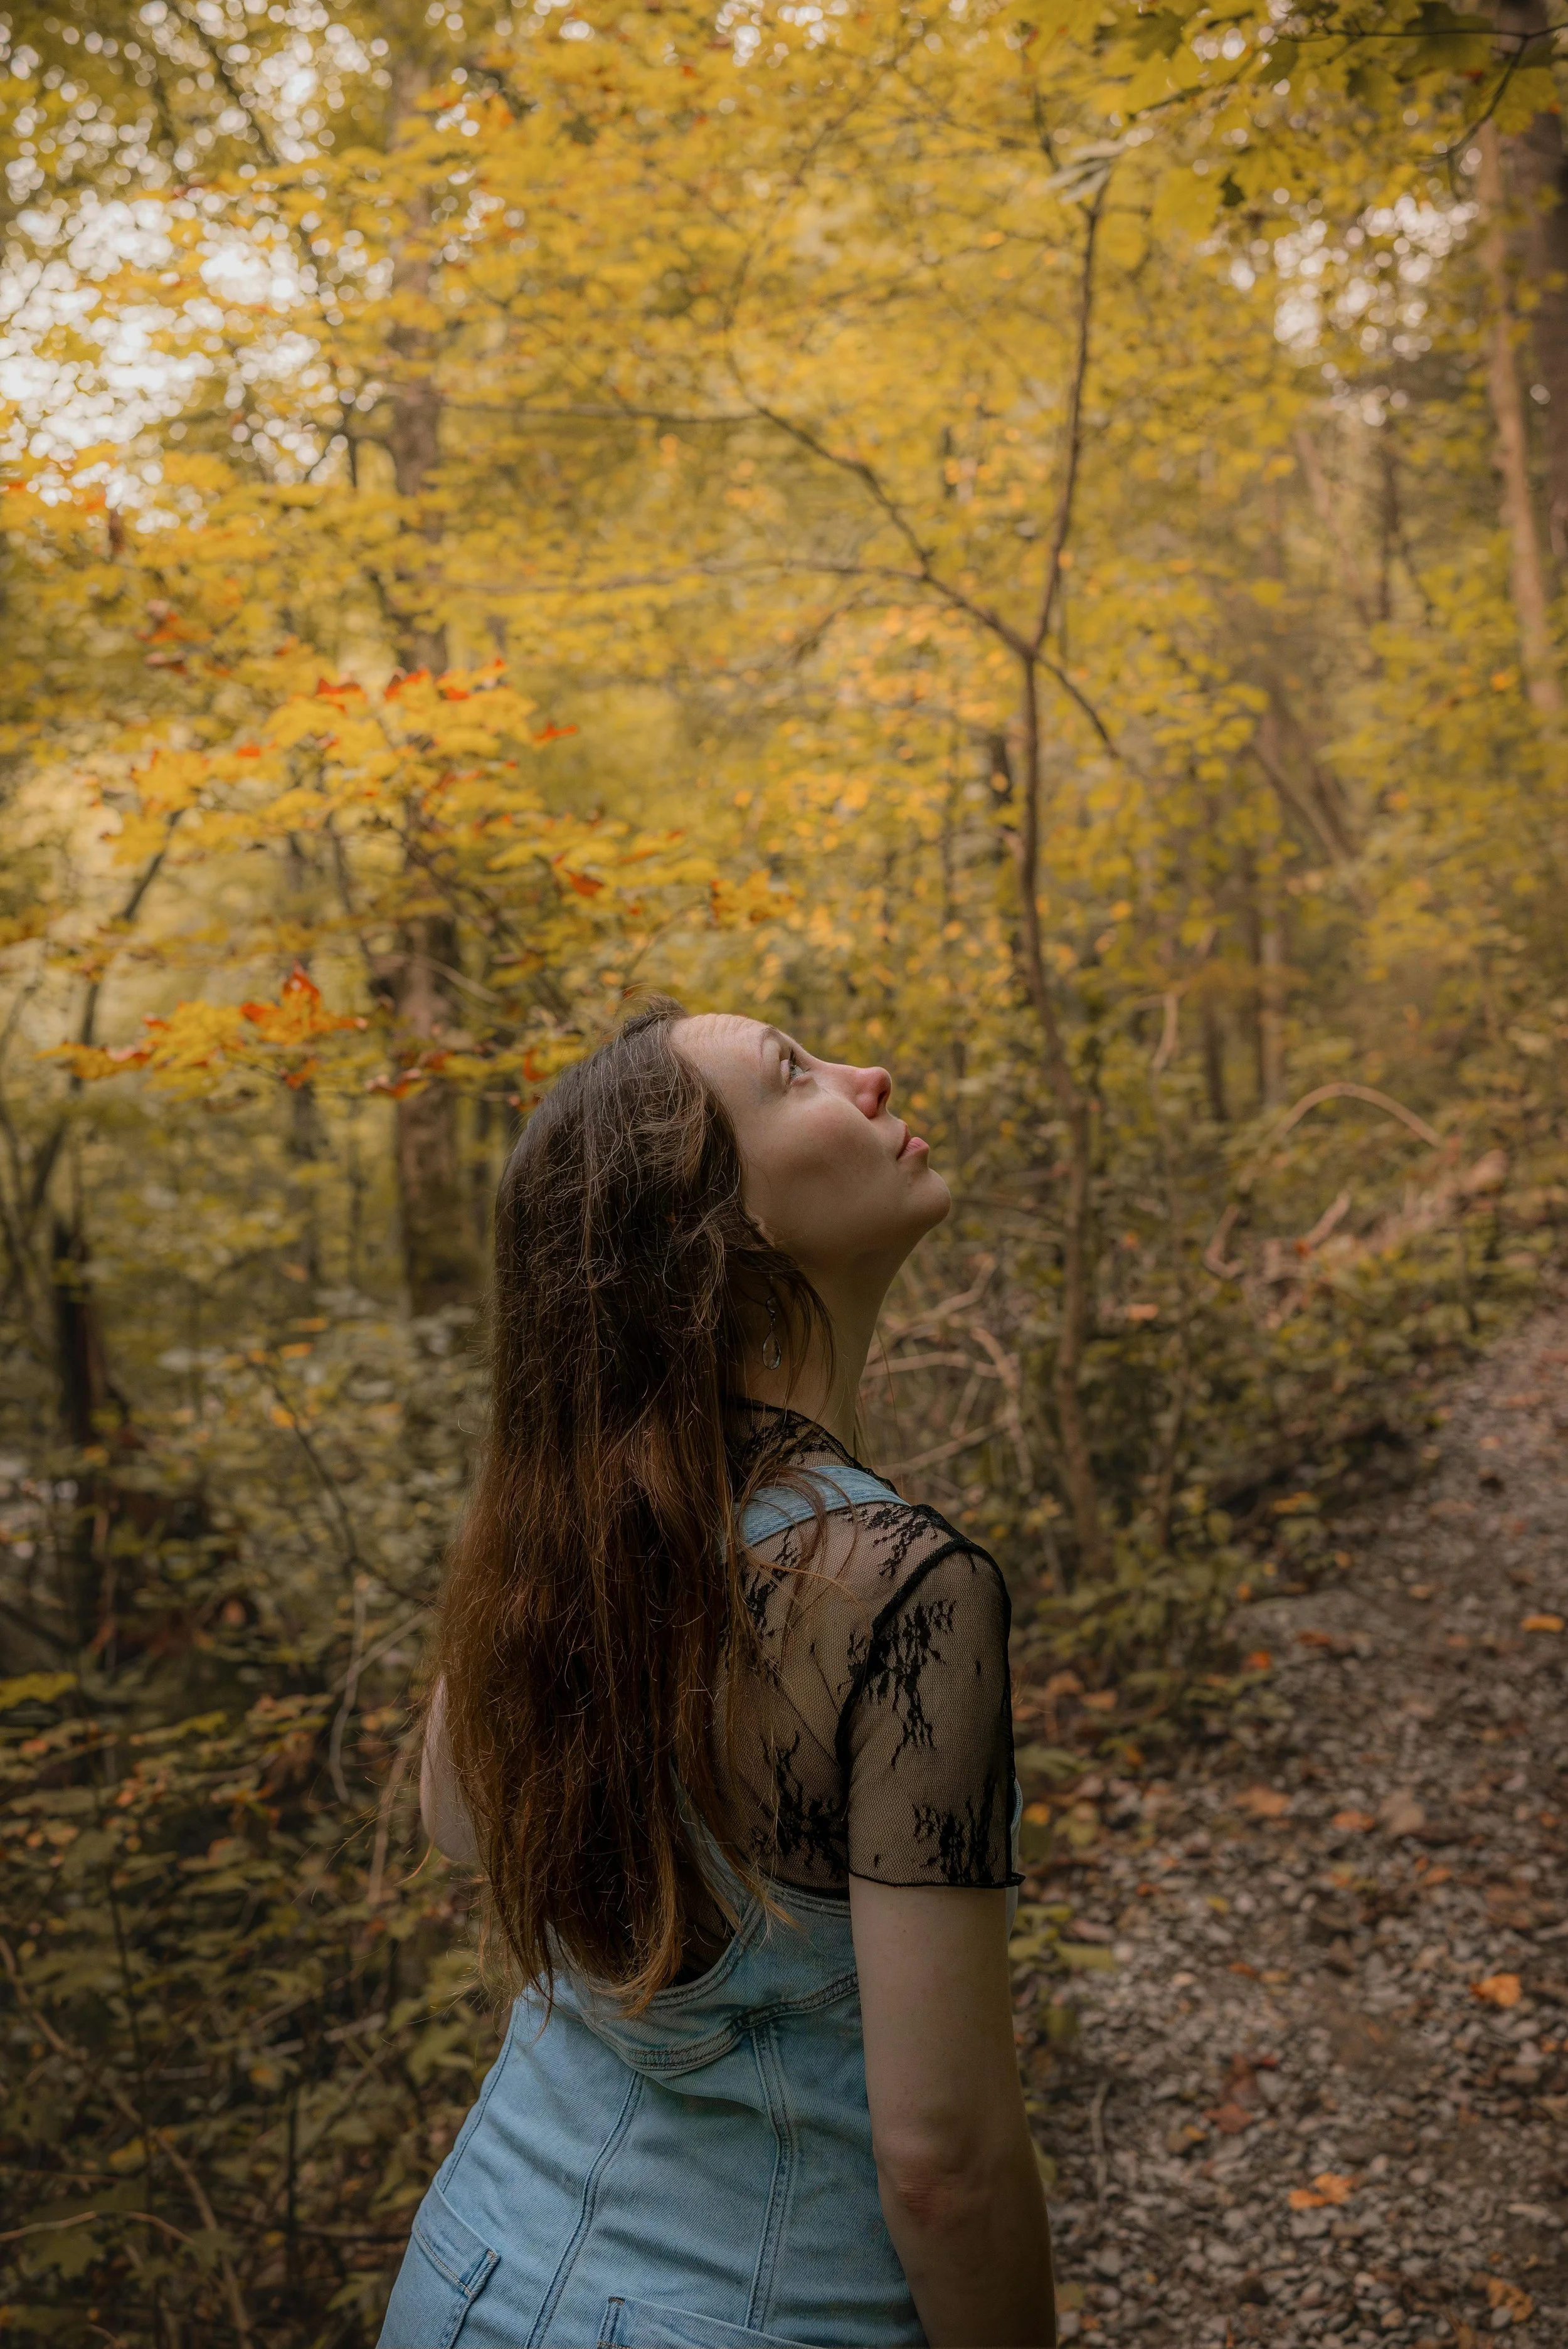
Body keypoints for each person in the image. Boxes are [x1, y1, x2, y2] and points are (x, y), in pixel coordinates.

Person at [379, 999, 1056, 2349]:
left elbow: (454, 1822)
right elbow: (943, 2165)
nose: (867, 1073)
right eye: (793, 1075)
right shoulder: (901, 1586)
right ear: (711, 1239)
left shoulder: (581, 1548)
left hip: (466, 2278)